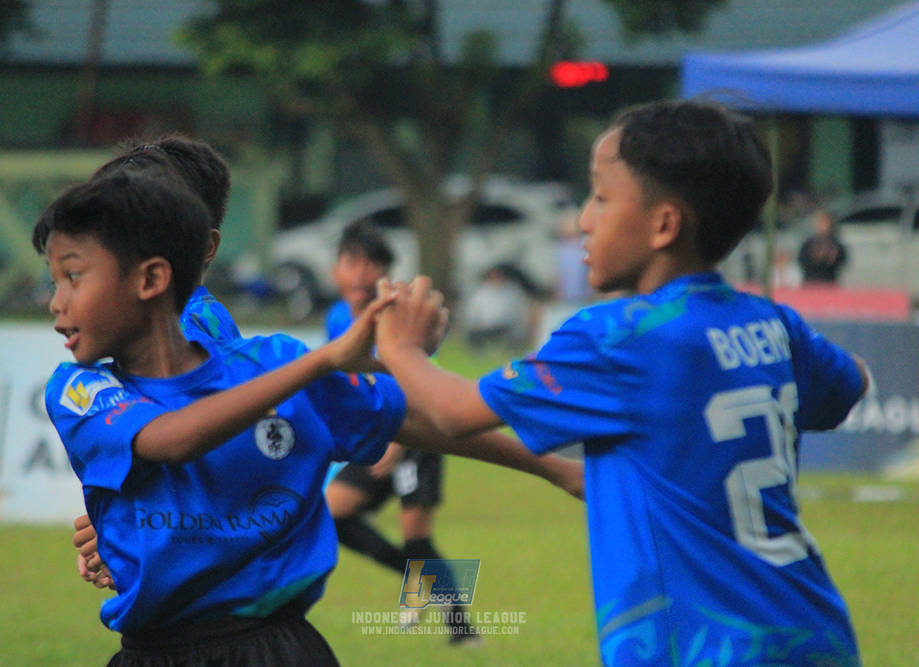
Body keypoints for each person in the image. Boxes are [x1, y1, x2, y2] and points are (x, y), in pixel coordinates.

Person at [372, 99, 870, 666]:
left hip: (705, 652)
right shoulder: (775, 324)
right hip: (816, 635)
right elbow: (851, 384)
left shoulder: (619, 338)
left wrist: (400, 347)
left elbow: (456, 411)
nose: (584, 219)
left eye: (601, 198)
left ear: (663, 224)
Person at [35, 165, 583, 665]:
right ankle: (446, 604)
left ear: (158, 273)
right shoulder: (82, 388)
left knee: (411, 532)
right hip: (154, 653)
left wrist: (554, 467)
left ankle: (450, 610)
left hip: (280, 648)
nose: (55, 301)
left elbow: (422, 419)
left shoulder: (266, 361)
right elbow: (172, 441)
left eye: (73, 277)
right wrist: (327, 362)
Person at [71, 135, 239, 590]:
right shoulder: (157, 328)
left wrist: (130, 525)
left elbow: (204, 450)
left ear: (205, 245)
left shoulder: (190, 327)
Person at [322, 221, 476, 642]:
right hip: (374, 433)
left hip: (416, 435)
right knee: (333, 514)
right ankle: (421, 586)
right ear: (336, 269)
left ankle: (462, 629)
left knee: (417, 536)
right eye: (351, 262)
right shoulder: (337, 318)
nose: (359, 274)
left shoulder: (398, 317)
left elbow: (419, 378)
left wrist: (397, 440)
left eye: (372, 265)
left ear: (386, 273)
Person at [798, 207, 848, 284]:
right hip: (810, 285)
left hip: (829, 284)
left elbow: (842, 261)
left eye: (825, 222)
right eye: (820, 222)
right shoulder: (809, 244)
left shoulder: (835, 245)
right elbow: (802, 260)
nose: (823, 226)